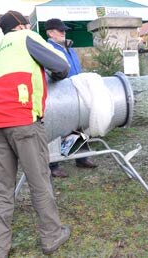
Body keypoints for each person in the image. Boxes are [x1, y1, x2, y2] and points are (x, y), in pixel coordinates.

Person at [0, 10, 70, 256]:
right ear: (22, 25)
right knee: (39, 181)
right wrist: (55, 74)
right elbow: (62, 65)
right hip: (22, 119)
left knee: (2, 188)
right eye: (28, 24)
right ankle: (51, 237)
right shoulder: (26, 37)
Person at [44, 18, 98, 178]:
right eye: (60, 30)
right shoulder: (47, 49)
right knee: (58, 129)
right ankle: (52, 165)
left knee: (80, 126)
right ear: (50, 33)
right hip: (59, 95)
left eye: (64, 30)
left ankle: (81, 158)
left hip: (77, 92)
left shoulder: (69, 47)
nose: (64, 32)